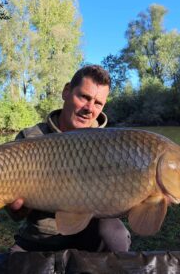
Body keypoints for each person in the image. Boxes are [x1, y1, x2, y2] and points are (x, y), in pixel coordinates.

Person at [8, 65, 131, 253]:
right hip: (40, 237)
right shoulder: (30, 138)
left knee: (115, 233)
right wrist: (18, 207)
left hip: (90, 232)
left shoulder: (111, 145)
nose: (89, 109)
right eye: (84, 97)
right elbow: (15, 215)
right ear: (66, 92)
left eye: (98, 103)